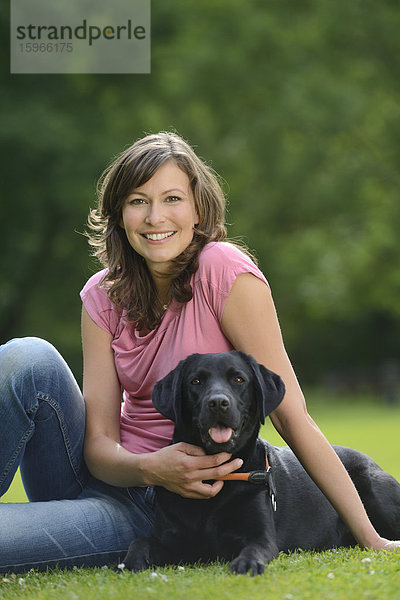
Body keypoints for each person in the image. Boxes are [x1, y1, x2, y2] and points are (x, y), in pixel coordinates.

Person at [0, 132, 398, 574]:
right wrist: (151, 467)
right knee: (27, 356)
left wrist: (369, 535)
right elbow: (98, 445)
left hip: (166, 512)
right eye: (137, 201)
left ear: (198, 209)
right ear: (119, 214)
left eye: (172, 198)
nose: (155, 217)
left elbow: (291, 416)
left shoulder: (223, 272)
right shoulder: (101, 294)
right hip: (119, 478)